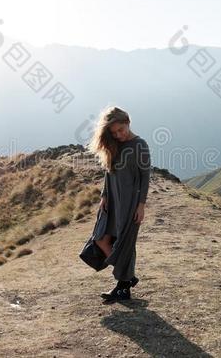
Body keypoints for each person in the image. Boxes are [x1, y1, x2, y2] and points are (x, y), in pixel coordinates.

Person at [86, 106, 151, 302]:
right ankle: (128, 276)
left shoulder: (140, 145)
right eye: (113, 132)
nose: (118, 135)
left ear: (128, 123)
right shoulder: (113, 145)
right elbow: (108, 172)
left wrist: (141, 205)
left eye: (120, 130)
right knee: (100, 238)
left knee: (125, 242)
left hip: (130, 201)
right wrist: (105, 195)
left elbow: (145, 176)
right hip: (113, 199)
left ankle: (123, 287)